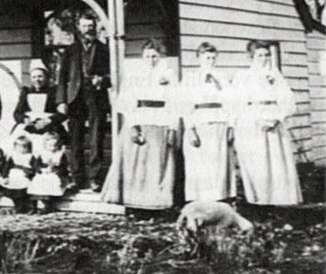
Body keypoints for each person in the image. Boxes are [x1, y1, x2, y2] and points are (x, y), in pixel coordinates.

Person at [102, 39, 179, 209]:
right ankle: (133, 203)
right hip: (139, 119)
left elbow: (175, 104)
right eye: (147, 56)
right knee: (135, 163)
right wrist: (132, 127)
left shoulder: (169, 74)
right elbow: (126, 103)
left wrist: (173, 128)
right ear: (142, 57)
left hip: (160, 121)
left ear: (160, 57)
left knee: (156, 165)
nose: (151, 59)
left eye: (155, 56)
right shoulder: (134, 75)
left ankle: (155, 204)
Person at [230, 40, 302, 205]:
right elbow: (237, 103)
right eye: (259, 55)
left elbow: (288, 100)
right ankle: (260, 200)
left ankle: (279, 200)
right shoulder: (243, 77)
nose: (263, 59)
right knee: (258, 162)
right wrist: (247, 122)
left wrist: (277, 118)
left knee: (276, 161)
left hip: (273, 119)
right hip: (252, 121)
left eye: (266, 55)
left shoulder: (275, 75)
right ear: (251, 57)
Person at [56, 10, 111, 192]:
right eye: (84, 26)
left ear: (95, 28)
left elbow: (114, 75)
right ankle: (77, 178)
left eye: (91, 26)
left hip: (96, 97)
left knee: (96, 137)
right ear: (79, 28)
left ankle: (95, 178)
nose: (88, 29)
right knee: (75, 139)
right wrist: (61, 101)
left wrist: (102, 79)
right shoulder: (70, 51)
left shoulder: (104, 49)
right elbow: (62, 78)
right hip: (75, 98)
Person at [181, 42, 236, 202]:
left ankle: (219, 200)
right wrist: (190, 129)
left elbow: (231, 103)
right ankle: (200, 201)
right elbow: (184, 105)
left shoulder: (223, 77)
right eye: (207, 58)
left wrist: (231, 126)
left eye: (213, 58)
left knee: (219, 165)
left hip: (220, 122)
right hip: (199, 123)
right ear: (198, 58)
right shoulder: (191, 79)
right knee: (199, 164)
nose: (210, 61)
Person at [13, 60, 69, 144]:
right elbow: (17, 113)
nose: (37, 80)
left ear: (46, 77)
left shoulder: (54, 92)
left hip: (50, 125)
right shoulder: (26, 92)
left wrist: (49, 120)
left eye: (40, 76)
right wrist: (25, 119)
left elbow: (63, 114)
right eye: (34, 77)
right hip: (30, 125)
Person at [28, 131, 70, 212]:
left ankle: (48, 205)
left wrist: (57, 170)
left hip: (55, 174)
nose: (53, 148)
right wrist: (41, 169)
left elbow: (64, 167)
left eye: (55, 146)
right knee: (37, 182)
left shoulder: (60, 154)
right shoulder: (43, 154)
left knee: (51, 182)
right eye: (50, 146)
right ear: (45, 145)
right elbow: (36, 165)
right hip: (43, 173)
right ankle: (33, 206)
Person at [1, 135, 38, 214]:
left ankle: (27, 207)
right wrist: (5, 176)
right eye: (19, 147)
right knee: (13, 191)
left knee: (22, 192)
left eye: (24, 147)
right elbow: (6, 167)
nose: (21, 150)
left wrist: (30, 175)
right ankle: (18, 206)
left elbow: (35, 168)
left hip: (24, 176)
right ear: (15, 147)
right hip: (13, 176)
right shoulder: (13, 156)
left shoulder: (30, 157)